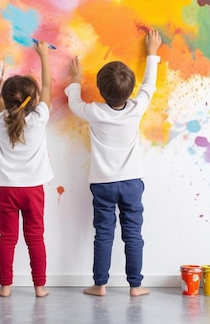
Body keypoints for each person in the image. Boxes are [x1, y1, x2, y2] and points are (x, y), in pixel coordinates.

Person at [64, 29, 163, 297]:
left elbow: (74, 102)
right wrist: (152, 53)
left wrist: (75, 79)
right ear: (129, 90)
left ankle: (100, 284)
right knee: (133, 234)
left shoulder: (94, 111)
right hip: (132, 183)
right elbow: (149, 86)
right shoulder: (136, 108)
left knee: (103, 234)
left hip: (103, 184)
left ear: (100, 89)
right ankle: (136, 286)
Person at [0, 40, 53, 298]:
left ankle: (5, 287)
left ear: (4, 100)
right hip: (33, 191)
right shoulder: (39, 118)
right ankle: (40, 288)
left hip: (7, 191)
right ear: (33, 100)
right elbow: (47, 86)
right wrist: (44, 56)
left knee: (7, 239)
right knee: (35, 238)